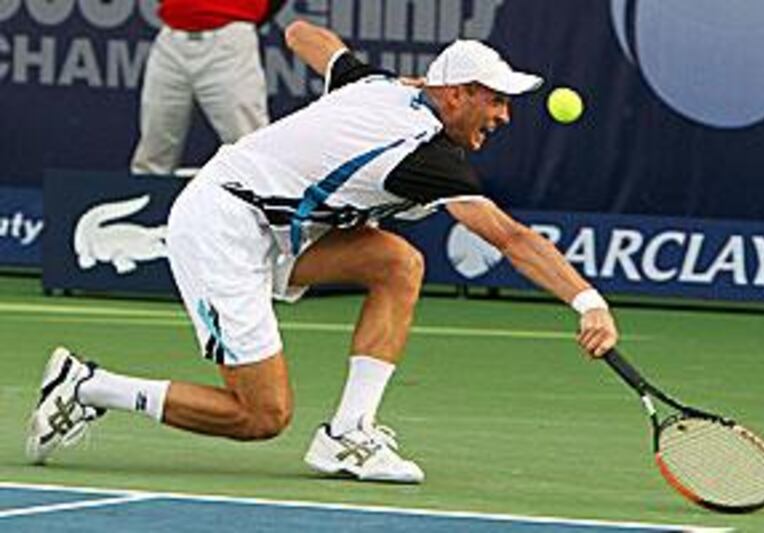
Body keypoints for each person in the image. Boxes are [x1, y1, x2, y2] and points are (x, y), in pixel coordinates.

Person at [28, 20, 618, 484]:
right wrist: (587, 302)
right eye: (496, 101)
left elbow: (300, 35)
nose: (504, 115)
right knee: (261, 416)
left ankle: (348, 433)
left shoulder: (376, 87)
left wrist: (392, 82)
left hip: (275, 230)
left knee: (398, 263)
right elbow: (511, 239)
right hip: (222, 228)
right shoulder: (424, 156)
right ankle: (87, 386)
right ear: (458, 95)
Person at [130, 0, 287, 175]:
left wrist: (242, 13)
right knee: (154, 148)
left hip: (229, 38)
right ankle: (149, 197)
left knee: (247, 143)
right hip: (171, 37)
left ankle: (262, 198)